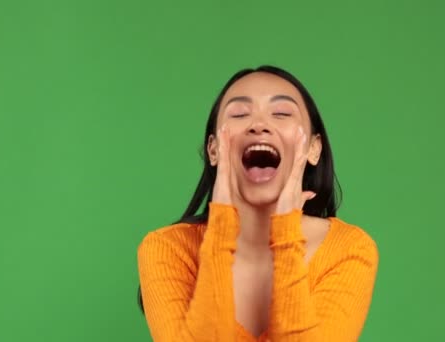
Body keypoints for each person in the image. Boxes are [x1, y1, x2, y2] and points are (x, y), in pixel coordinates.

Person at [137, 65, 379, 342]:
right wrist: (221, 227)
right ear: (213, 150)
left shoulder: (349, 249)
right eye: (240, 114)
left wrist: (287, 235)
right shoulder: (168, 249)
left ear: (314, 149)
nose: (259, 124)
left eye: (282, 114)